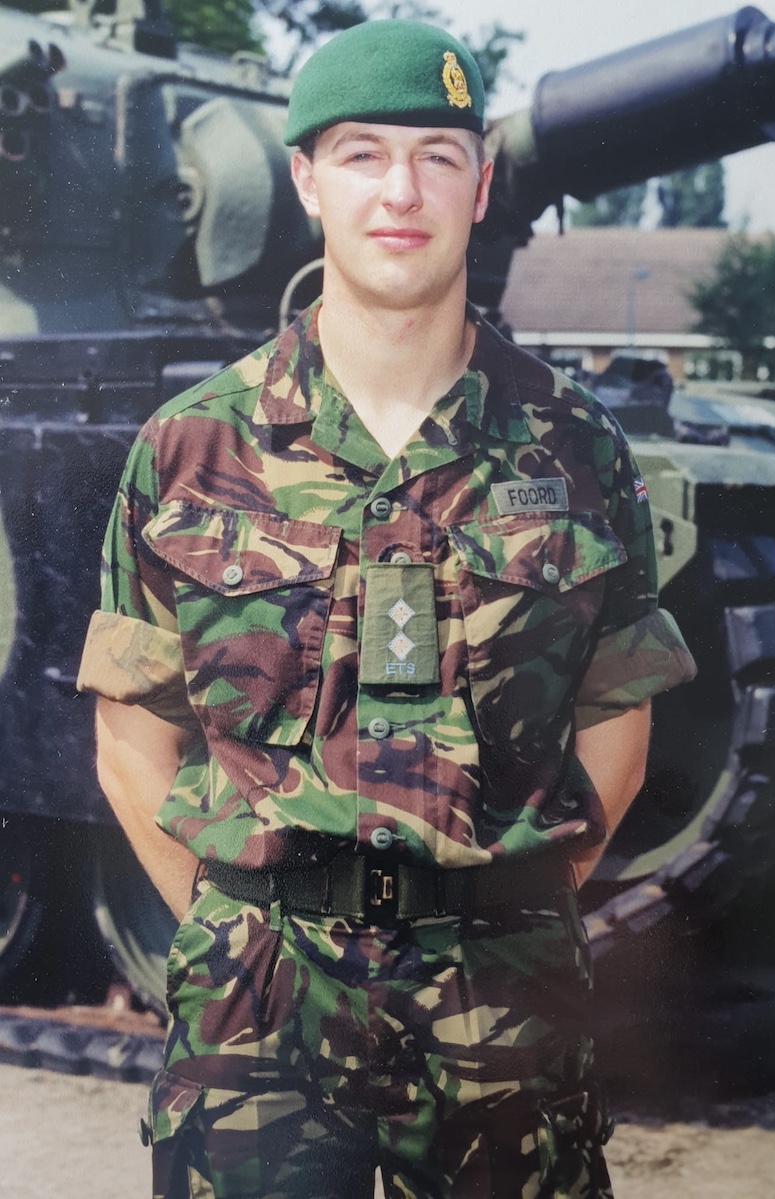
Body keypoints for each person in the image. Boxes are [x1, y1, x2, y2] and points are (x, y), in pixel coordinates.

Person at [77, 19, 696, 1199]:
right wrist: (248, 926)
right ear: (306, 180)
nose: (400, 190)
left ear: (481, 183)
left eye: (436, 154)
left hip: (504, 1008)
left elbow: (618, 732)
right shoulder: (191, 445)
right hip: (257, 1019)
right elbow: (128, 743)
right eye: (361, 154)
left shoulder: (573, 446)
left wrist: (492, 901)